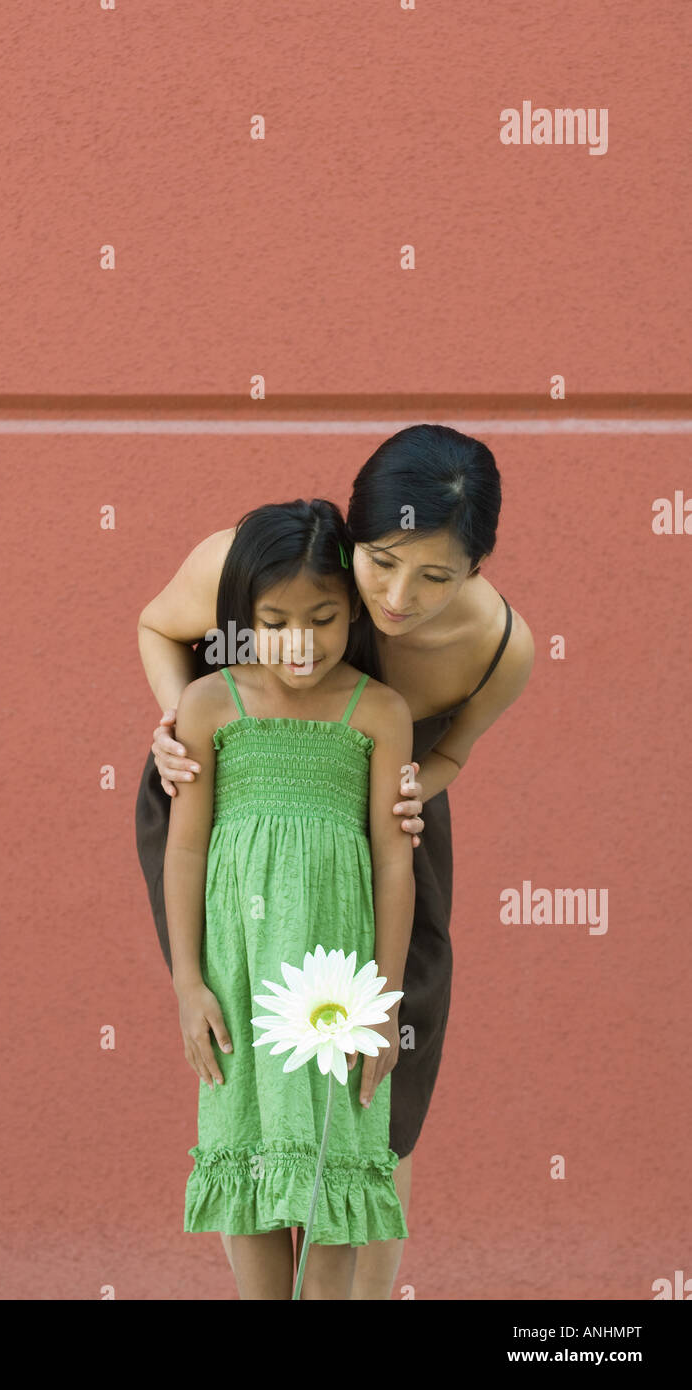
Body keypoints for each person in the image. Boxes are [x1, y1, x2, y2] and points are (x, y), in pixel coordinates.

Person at [136, 423, 534, 1298]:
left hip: (384, 821)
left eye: (437, 576)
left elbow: (449, 758)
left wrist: (398, 792)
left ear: (476, 568)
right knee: (240, 1053)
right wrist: (175, 733)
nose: (399, 596)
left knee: (370, 1083)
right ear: (353, 535)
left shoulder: (498, 649)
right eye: (383, 561)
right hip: (226, 794)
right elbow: (158, 629)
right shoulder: (267, 566)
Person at [166, 498, 415, 1299]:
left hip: (337, 978)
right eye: (273, 621)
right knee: (251, 1147)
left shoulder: (378, 710)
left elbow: (392, 858)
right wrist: (186, 982)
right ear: (241, 616)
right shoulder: (209, 705)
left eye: (323, 618)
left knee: (335, 1156)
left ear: (354, 613)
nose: (298, 643)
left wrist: (384, 1000)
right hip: (240, 974)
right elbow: (185, 845)